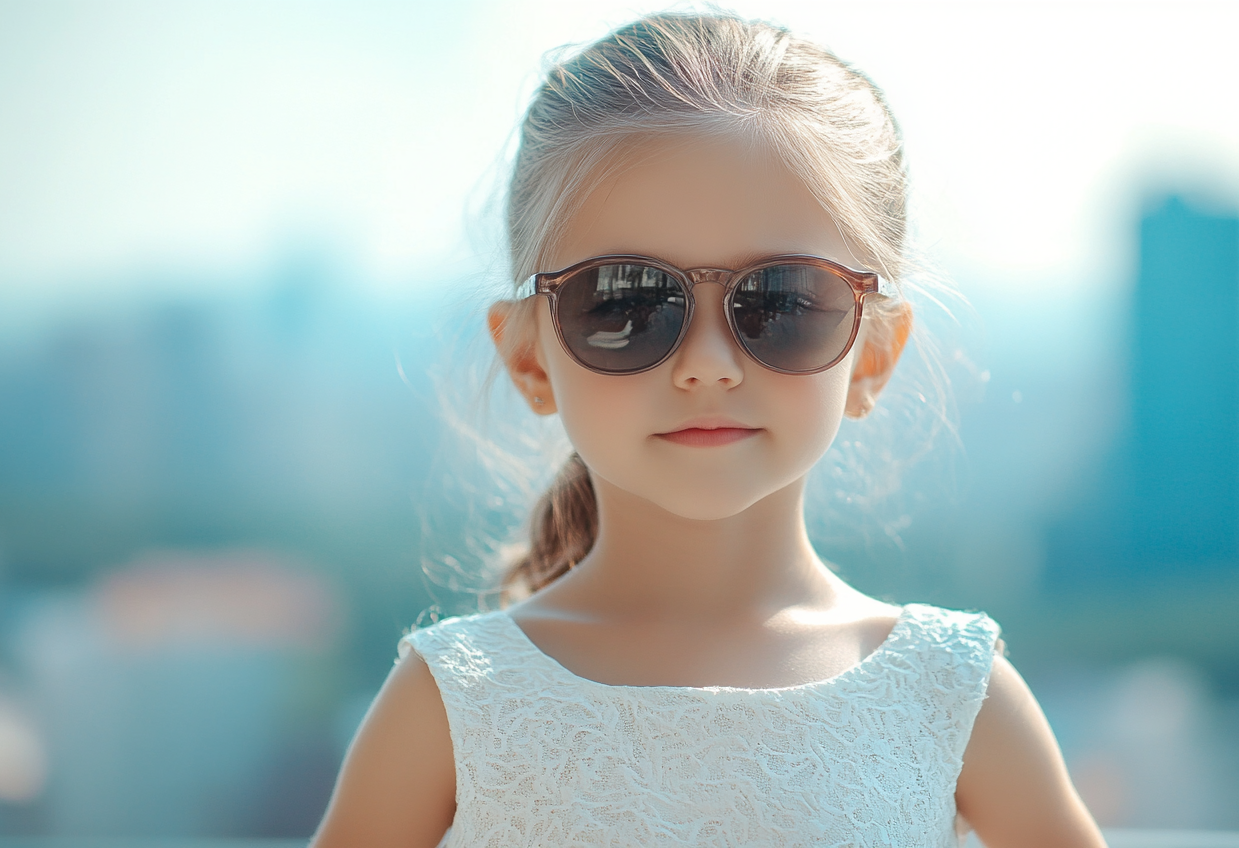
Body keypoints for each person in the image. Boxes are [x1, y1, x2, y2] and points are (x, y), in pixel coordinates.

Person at [312, 10, 1105, 848]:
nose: (708, 365)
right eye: (623, 303)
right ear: (530, 360)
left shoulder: (951, 696)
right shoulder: (455, 702)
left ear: (872, 355)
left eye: (784, 300)